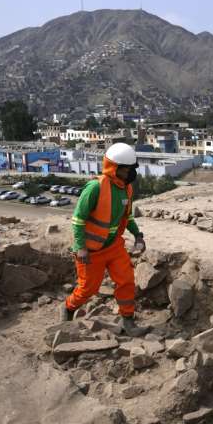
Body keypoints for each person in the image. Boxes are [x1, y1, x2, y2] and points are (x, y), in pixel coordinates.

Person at [61, 142, 148, 337]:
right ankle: (68, 308)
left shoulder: (126, 189)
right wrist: (80, 247)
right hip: (91, 251)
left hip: (114, 247)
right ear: (113, 167)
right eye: (125, 170)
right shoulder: (95, 187)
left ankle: (128, 321)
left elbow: (128, 217)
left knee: (126, 281)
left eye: (130, 170)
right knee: (88, 289)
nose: (128, 174)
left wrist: (138, 235)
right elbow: (77, 219)